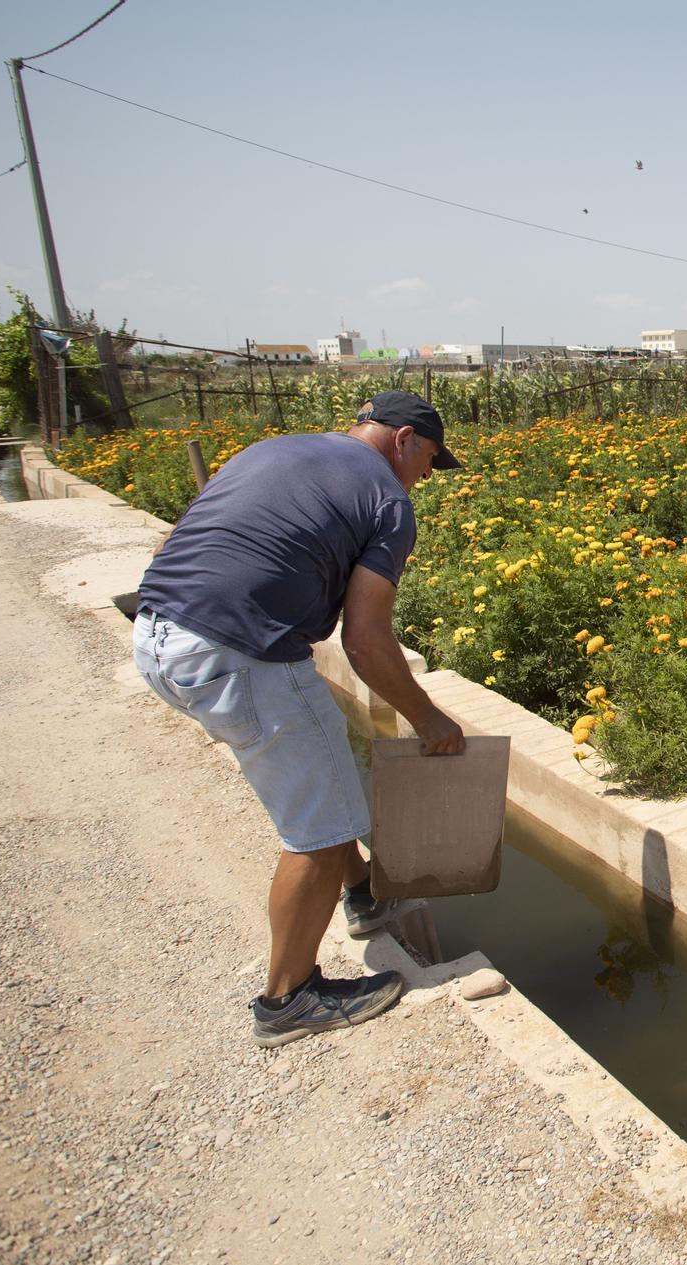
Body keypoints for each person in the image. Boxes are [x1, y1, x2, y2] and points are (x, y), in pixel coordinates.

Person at [132, 390, 466, 1048]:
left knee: (324, 775)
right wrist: (429, 720)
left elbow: (207, 541)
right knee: (315, 829)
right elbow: (366, 643)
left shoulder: (276, 449)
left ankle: (366, 893)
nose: (427, 477)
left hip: (157, 635)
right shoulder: (387, 500)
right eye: (429, 459)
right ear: (403, 440)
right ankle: (288, 998)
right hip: (239, 650)